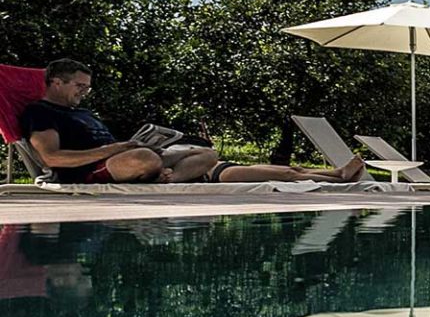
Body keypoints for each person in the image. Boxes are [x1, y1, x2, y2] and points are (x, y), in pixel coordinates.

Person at [22, 59, 368, 185]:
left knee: (206, 154)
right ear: (56, 82)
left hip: (125, 159)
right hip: (92, 170)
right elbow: (52, 159)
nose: (84, 93)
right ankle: (156, 171)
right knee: (144, 158)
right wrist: (121, 148)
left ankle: (162, 176)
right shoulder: (42, 113)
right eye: (79, 87)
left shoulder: (82, 113)